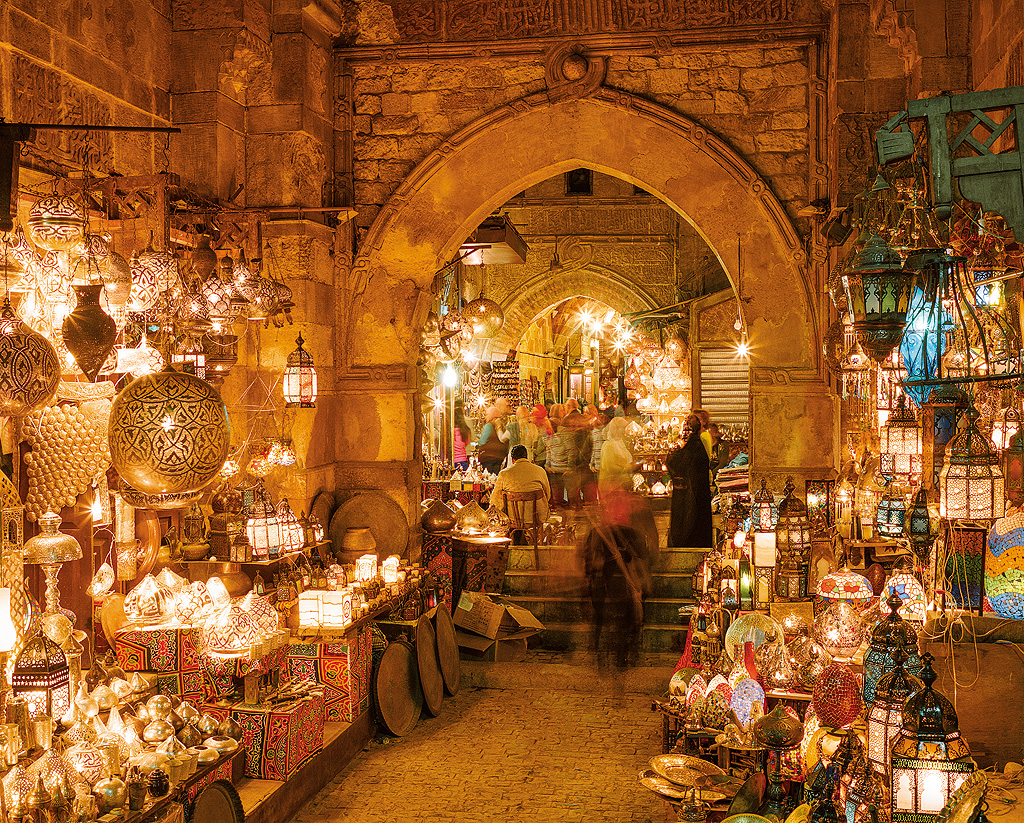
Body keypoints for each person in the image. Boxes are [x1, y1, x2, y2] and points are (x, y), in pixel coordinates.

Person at [666, 413, 714, 547]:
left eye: (687, 428)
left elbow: (678, 466)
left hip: (691, 494)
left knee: (690, 526)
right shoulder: (693, 446)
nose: (684, 432)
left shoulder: (692, 447)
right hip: (696, 492)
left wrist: (673, 454)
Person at [490, 444, 551, 539]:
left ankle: (513, 541)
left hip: (513, 519)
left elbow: (495, 500)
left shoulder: (504, 473)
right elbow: (548, 495)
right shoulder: (540, 471)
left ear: (512, 459)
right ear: (526, 456)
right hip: (536, 517)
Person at [598, 416, 633, 496]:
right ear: (616, 429)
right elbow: (611, 468)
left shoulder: (620, 442)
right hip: (612, 489)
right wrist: (629, 468)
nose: (626, 430)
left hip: (621, 486)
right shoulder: (609, 445)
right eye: (624, 428)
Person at [477, 405, 510, 475]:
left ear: (491, 415)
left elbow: (482, 441)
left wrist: (478, 441)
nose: (486, 417)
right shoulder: (502, 426)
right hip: (500, 458)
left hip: (488, 458)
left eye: (487, 414)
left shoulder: (489, 425)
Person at [452, 400, 472, 471]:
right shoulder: (465, 430)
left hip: (453, 460)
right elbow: (467, 443)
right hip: (463, 459)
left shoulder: (450, 431)